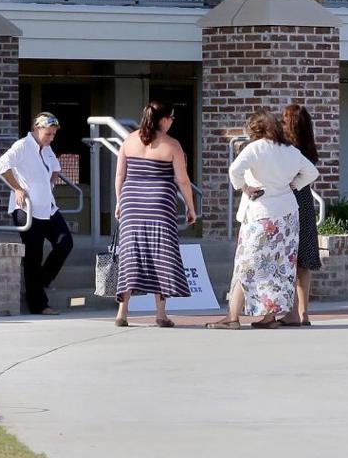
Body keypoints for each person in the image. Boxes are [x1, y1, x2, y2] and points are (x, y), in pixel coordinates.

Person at [210, 110, 318, 330]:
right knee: (279, 267)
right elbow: (312, 172)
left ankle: (232, 316)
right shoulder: (290, 151)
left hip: (260, 215)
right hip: (287, 217)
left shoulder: (256, 148)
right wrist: (294, 185)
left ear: (256, 130)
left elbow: (234, 170)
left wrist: (246, 188)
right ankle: (270, 316)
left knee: (245, 264)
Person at [113, 101, 198, 329]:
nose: (172, 122)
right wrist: (191, 207)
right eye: (171, 118)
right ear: (163, 119)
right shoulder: (172, 145)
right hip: (160, 203)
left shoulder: (129, 140)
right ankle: (160, 313)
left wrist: (120, 202)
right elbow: (182, 180)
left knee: (131, 255)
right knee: (162, 255)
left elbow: (120, 175)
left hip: (132, 201)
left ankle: (122, 312)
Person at [0, 112, 74, 316]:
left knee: (65, 242)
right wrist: (18, 188)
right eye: (48, 134)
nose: (51, 138)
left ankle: (41, 281)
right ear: (37, 129)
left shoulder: (46, 148)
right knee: (33, 255)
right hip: (26, 209)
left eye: (53, 134)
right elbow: (1, 166)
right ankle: (39, 304)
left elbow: (56, 167)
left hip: (48, 207)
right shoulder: (23, 146)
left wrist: (51, 181)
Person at [281, 101, 322, 326]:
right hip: (305, 202)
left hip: (287, 201)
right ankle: (304, 312)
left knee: (288, 258)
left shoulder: (286, 149)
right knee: (303, 262)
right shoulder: (308, 147)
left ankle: (290, 312)